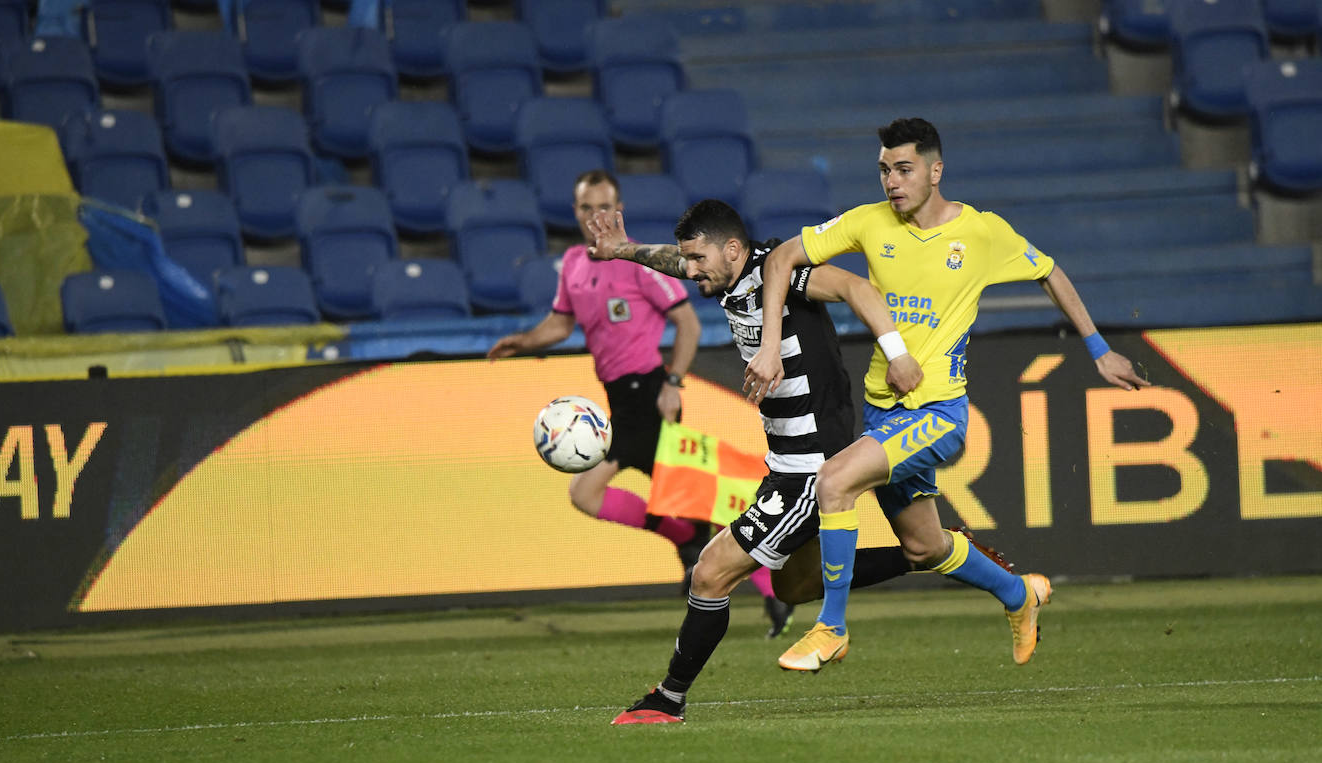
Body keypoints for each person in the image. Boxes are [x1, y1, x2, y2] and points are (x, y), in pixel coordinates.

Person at [753, 117, 1151, 673]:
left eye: (904, 169)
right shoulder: (868, 223)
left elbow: (1050, 272)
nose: (892, 182)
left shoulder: (983, 233)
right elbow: (778, 260)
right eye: (884, 171)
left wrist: (1099, 349)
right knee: (924, 548)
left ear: (936, 171)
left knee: (834, 482)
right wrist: (770, 344)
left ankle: (831, 628)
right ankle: (1020, 595)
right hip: (882, 409)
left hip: (938, 411)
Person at [587, 198, 920, 724]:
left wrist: (898, 354)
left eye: (699, 259)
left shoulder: (781, 270)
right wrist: (620, 251)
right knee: (795, 585)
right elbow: (671, 261)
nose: (689, 271)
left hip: (813, 467)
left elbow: (857, 288)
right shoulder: (725, 274)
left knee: (710, 573)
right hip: (785, 462)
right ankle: (930, 552)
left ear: (734, 249)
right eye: (688, 260)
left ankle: (667, 698)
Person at [487, 170, 733, 606]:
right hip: (617, 402)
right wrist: (523, 342)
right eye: (586, 207)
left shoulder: (638, 261)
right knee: (693, 502)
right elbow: (562, 322)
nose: (595, 215)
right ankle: (699, 546)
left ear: (617, 211)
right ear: (576, 212)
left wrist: (673, 382)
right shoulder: (575, 265)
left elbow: (688, 323)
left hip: (652, 397)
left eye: (604, 207)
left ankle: (752, 570)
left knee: (590, 492)